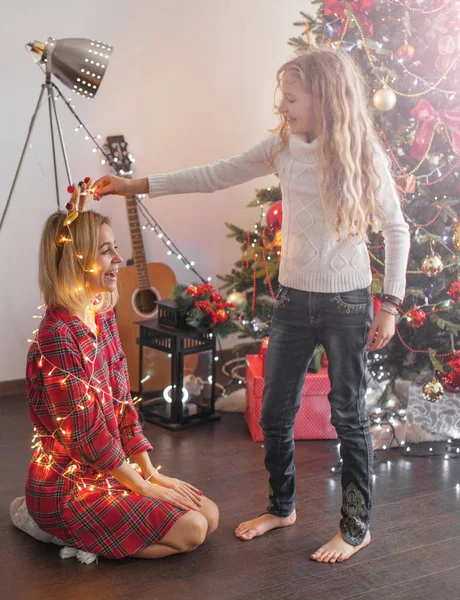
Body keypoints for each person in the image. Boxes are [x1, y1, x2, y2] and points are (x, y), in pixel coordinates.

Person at [92, 47, 410, 563]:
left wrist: (390, 304)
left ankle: (356, 527)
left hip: (348, 303)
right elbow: (214, 173)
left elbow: (397, 229)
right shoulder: (283, 147)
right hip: (291, 300)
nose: (281, 105)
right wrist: (137, 185)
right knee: (275, 412)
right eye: (280, 95)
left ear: (324, 98)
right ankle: (281, 507)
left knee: (348, 416)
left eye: (291, 96)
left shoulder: (361, 153)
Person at [11, 181, 219, 560]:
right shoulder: (57, 337)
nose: (118, 260)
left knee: (211, 516)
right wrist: (142, 487)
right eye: (105, 252)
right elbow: (88, 437)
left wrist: (151, 475)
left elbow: (124, 404)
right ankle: (47, 526)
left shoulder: (102, 315)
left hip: (109, 470)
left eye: (115, 248)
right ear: (77, 261)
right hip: (67, 485)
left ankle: (95, 532)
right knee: (191, 531)